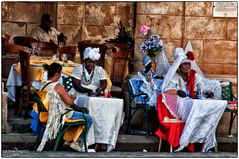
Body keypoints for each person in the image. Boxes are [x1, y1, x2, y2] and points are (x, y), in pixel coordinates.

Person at [156, 48, 225, 152]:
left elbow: (203, 85)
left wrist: (210, 90)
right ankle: (190, 140)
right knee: (198, 111)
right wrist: (177, 92)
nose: (187, 66)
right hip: (180, 105)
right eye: (185, 64)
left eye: (188, 64)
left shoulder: (192, 75)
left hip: (191, 101)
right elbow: (165, 90)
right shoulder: (174, 76)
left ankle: (205, 142)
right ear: (179, 66)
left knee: (207, 112)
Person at [36, 62, 93, 152]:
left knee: (79, 115)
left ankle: (68, 140)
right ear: (58, 74)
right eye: (60, 74)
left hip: (46, 114)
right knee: (88, 118)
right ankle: (75, 141)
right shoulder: (57, 86)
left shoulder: (43, 84)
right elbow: (69, 102)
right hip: (60, 115)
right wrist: (73, 97)